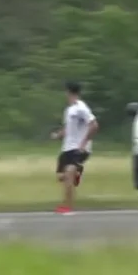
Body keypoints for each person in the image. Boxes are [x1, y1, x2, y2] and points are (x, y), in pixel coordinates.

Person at [50, 81, 98, 214]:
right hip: (66, 148)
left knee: (69, 175)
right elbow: (68, 129)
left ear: (68, 92)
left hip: (78, 149)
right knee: (61, 176)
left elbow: (94, 125)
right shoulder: (69, 110)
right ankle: (77, 172)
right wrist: (58, 135)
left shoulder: (81, 108)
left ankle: (67, 207)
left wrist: (83, 144)